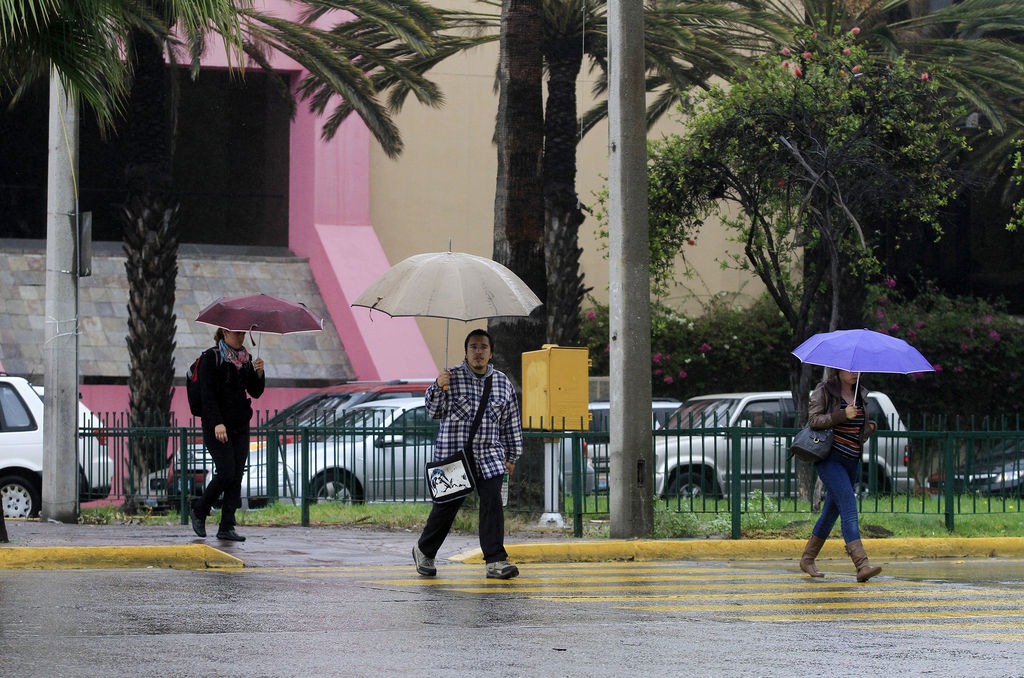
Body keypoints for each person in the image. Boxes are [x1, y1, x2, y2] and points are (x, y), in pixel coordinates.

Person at [412, 329, 523, 579]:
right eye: (473, 347)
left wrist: (512, 457)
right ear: (466, 351)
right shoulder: (450, 377)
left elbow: (511, 423)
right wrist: (438, 386)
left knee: (492, 504)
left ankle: (495, 561)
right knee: (446, 508)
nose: (478, 352)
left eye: (483, 347)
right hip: (454, 455)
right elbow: (434, 411)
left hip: (489, 456)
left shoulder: (502, 383)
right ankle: (424, 551)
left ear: (491, 353)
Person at [799, 368, 882, 582]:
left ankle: (807, 559)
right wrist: (842, 414)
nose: (855, 373)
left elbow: (857, 432)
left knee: (830, 513)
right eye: (850, 369)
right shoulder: (824, 390)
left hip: (852, 460)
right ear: (838, 370)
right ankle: (861, 565)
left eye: (858, 369)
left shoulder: (860, 393)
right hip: (830, 459)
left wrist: (869, 427)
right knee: (849, 506)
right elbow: (813, 420)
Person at [189, 328, 265, 542]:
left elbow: (255, 391)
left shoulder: (245, 360)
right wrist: (217, 423)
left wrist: (259, 373)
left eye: (243, 334)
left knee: (237, 475)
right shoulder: (211, 357)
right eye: (237, 333)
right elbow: (207, 394)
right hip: (217, 426)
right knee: (226, 472)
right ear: (224, 333)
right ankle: (199, 510)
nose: (241, 337)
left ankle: (227, 526)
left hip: (240, 424)